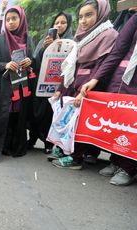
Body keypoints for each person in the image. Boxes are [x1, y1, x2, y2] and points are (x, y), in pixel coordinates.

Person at [51, 0, 118, 170]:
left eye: (88, 15)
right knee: (71, 120)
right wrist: (61, 89)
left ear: (101, 14)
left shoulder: (109, 35)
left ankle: (76, 158)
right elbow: (71, 66)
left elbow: (103, 65)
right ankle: (70, 151)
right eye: (80, 16)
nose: (83, 21)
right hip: (75, 85)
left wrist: (85, 91)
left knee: (83, 121)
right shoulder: (81, 37)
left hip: (92, 87)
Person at [80, 14, 137, 186]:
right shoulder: (135, 19)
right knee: (119, 120)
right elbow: (117, 52)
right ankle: (116, 161)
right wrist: (95, 79)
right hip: (122, 79)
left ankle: (129, 167)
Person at [0, 6, 34, 163]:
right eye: (8, 19)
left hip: (22, 86)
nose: (11, 22)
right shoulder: (0, 40)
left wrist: (30, 62)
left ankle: (16, 146)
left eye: (14, 18)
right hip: (5, 86)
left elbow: (35, 63)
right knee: (3, 115)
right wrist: (5, 65)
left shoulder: (28, 39)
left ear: (21, 19)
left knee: (17, 115)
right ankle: (1, 146)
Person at [28, 12, 73, 155]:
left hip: (59, 86)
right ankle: (33, 138)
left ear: (68, 25)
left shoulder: (72, 42)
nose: (59, 25)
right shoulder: (44, 41)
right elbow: (36, 63)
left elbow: (71, 64)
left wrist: (60, 47)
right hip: (42, 84)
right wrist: (46, 49)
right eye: (56, 23)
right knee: (36, 112)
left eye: (63, 22)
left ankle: (49, 143)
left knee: (50, 114)